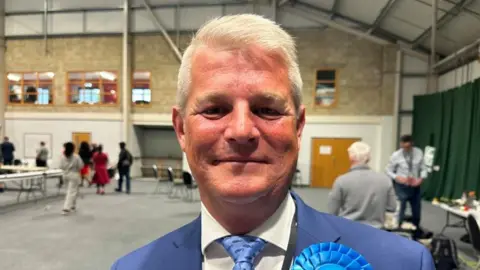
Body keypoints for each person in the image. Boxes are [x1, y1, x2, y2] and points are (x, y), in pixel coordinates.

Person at [111, 14, 434, 270]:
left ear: (299, 126)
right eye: (214, 110)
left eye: (267, 109)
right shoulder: (131, 268)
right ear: (181, 129)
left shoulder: (401, 263)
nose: (241, 130)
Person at [327, 141, 397, 229]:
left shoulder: (341, 181)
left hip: (349, 231)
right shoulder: (385, 180)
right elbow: (392, 207)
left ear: (350, 157)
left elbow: (332, 211)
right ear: (369, 158)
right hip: (376, 232)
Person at [386, 134, 428, 238]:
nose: (405, 149)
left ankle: (416, 231)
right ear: (400, 144)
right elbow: (387, 170)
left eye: (408, 147)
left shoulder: (418, 153)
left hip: (415, 186)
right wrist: (397, 177)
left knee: (416, 210)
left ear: (412, 144)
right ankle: (397, 231)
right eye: (403, 147)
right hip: (402, 186)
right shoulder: (396, 155)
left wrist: (420, 179)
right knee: (400, 209)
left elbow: (424, 168)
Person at [59, 142, 84, 215]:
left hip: (65, 174)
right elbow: (81, 166)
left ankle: (73, 206)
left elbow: (60, 166)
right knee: (71, 192)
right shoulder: (76, 156)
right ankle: (66, 208)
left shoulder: (62, 156)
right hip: (74, 174)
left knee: (71, 191)